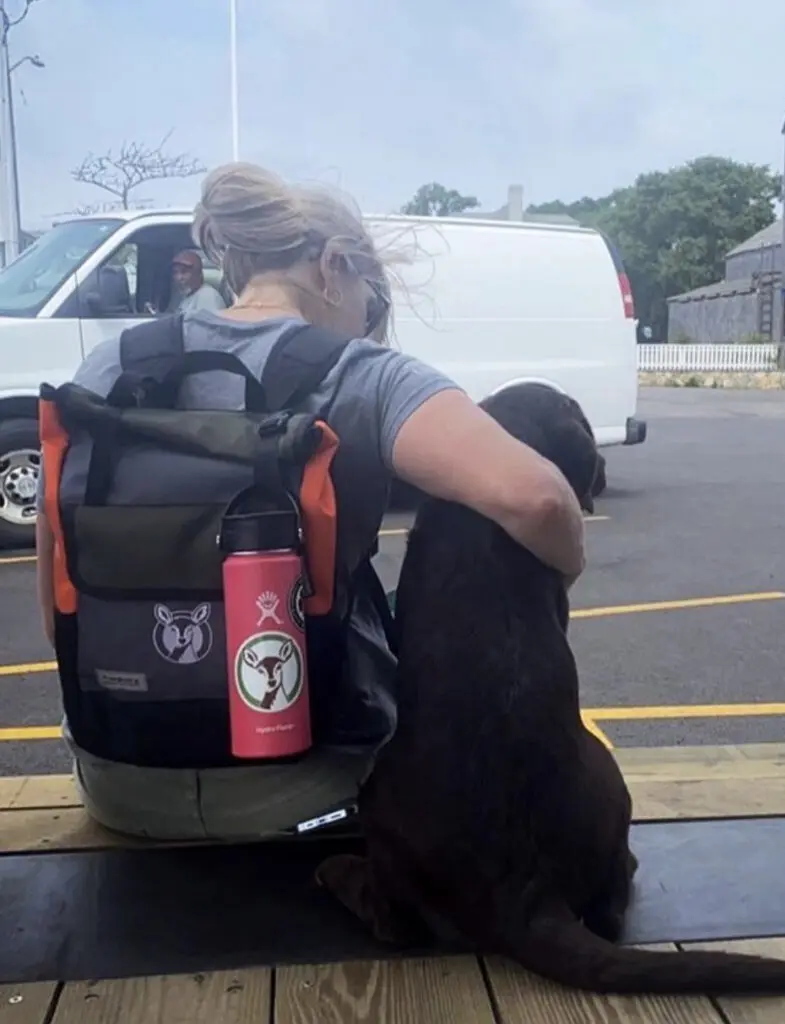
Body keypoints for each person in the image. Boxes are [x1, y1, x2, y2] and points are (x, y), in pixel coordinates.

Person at [35, 161, 587, 842]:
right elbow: (538, 500)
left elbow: (56, 592)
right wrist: (565, 570)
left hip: (119, 782)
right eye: (371, 297)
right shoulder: (362, 376)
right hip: (303, 791)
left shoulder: (111, 367)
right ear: (332, 266)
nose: (367, 321)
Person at [166, 248, 228, 313]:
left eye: (184, 272)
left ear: (199, 273)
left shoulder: (208, 296)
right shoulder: (185, 297)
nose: (179, 277)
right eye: (175, 272)